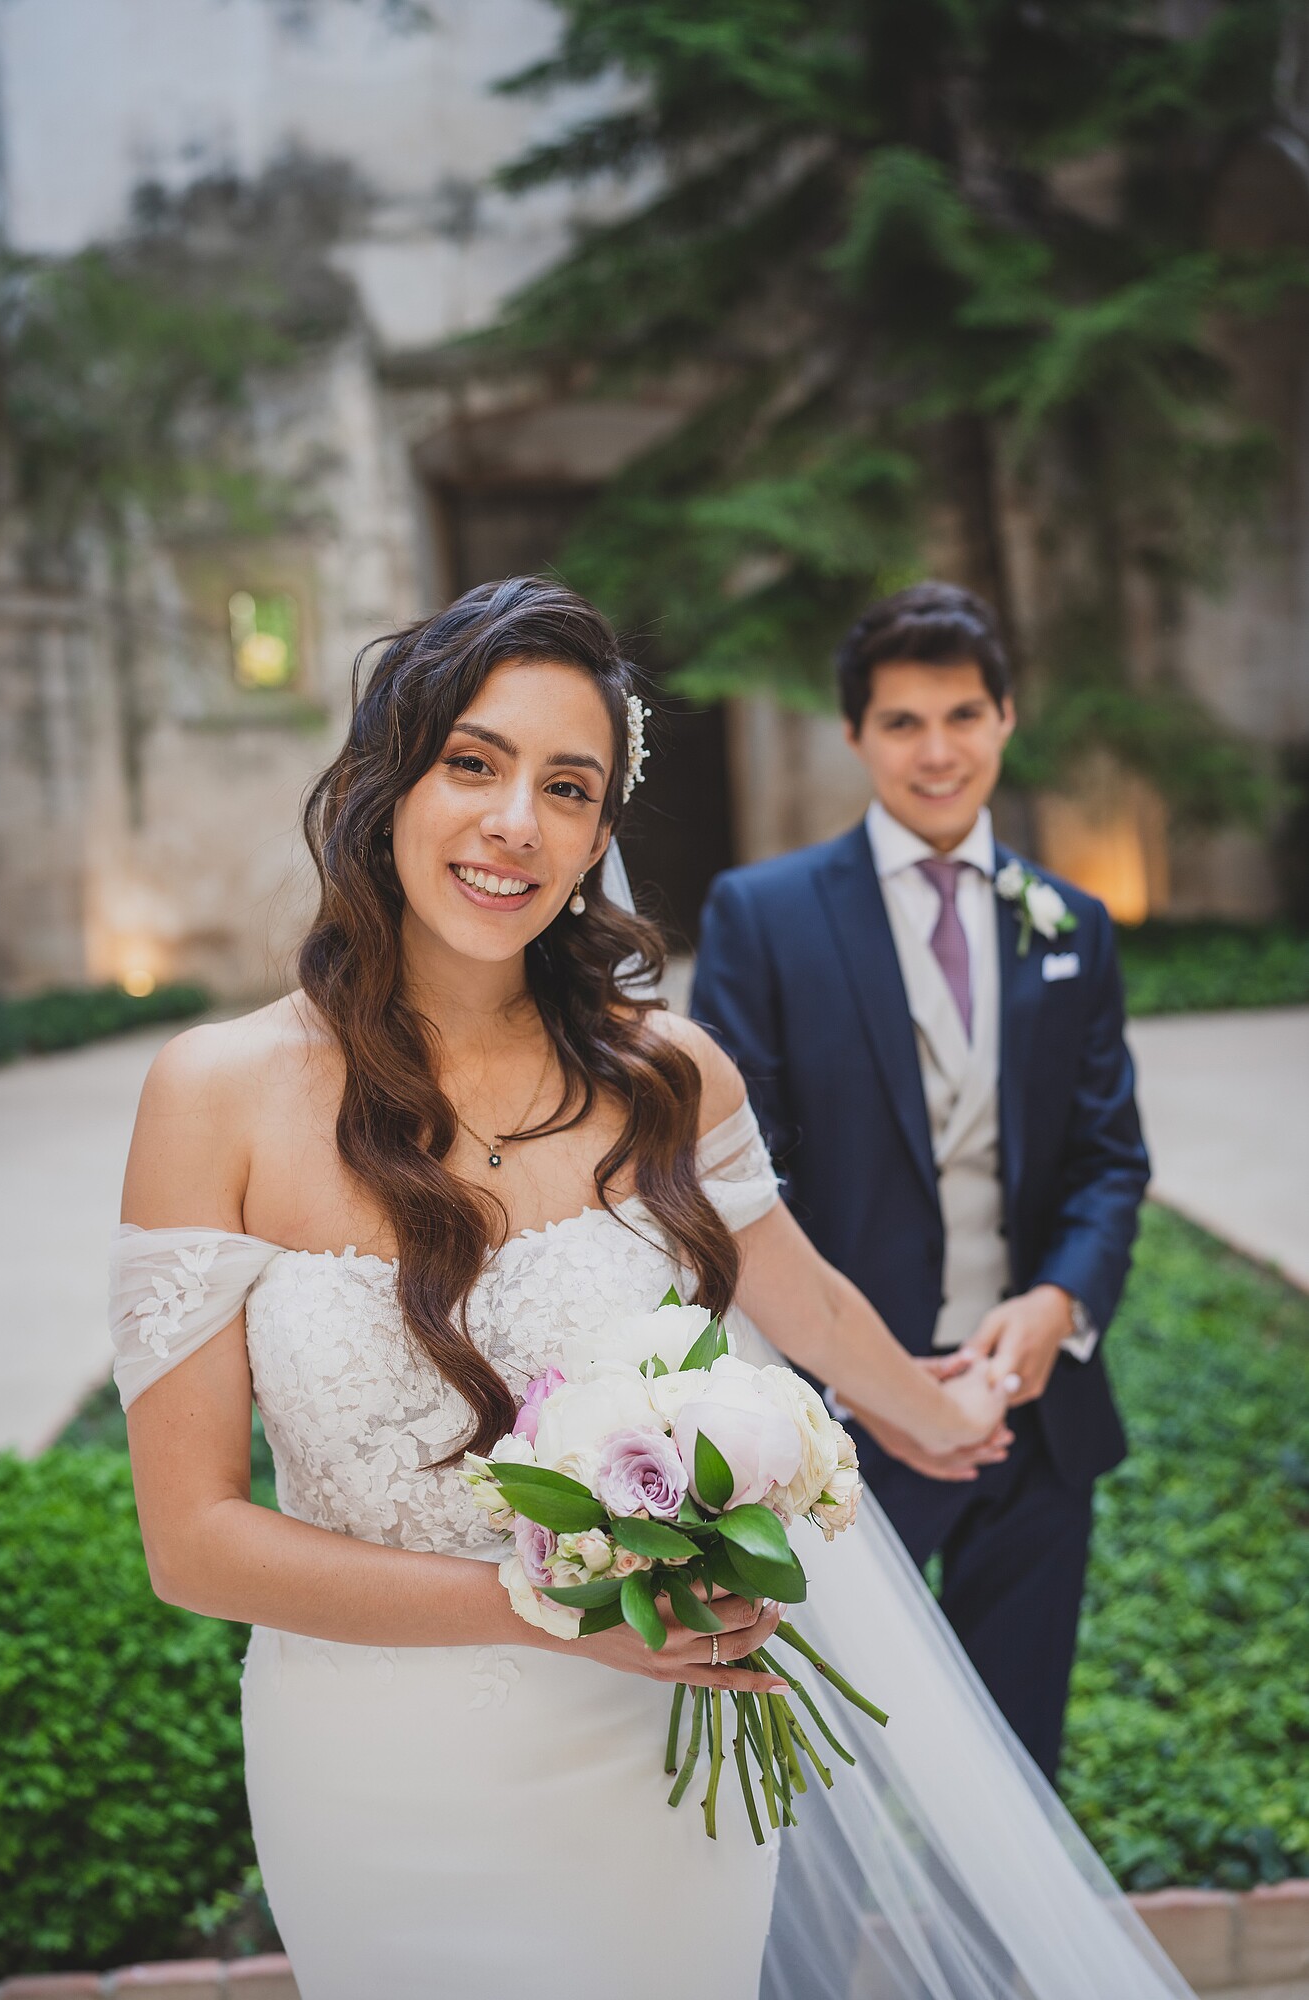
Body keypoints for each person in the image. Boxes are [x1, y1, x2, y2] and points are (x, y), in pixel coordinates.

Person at [111, 578, 1188, 2000]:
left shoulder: (669, 1077)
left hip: (659, 1769)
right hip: (367, 1771)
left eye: (569, 786)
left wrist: (938, 1407)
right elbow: (193, 1543)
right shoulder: (215, 1096)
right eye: (473, 764)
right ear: (387, 779)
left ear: (600, 834)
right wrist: (553, 1603)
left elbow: (801, 1304)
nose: (517, 824)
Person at [690, 580, 1150, 1784]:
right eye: (902, 721)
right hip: (842, 1426)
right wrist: (872, 1384)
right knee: (827, 1781)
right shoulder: (765, 914)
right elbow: (741, 1181)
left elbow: (1111, 1158)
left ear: (1006, 717)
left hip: (1034, 1418)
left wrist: (1058, 1304)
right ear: (855, 735)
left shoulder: (1073, 923)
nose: (937, 750)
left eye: (963, 714)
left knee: (1015, 1768)